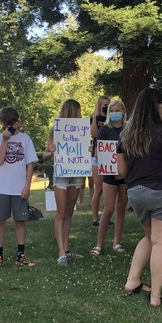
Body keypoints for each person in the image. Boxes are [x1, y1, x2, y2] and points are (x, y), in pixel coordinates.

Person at [118, 88, 162, 307]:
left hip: (136, 194)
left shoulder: (125, 136)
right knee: (160, 242)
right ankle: (155, 296)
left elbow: (120, 172)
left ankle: (132, 281)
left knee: (150, 238)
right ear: (159, 106)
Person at [0, 106, 38, 269]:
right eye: (4, 126)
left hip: (19, 188)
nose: (8, 129)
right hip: (3, 187)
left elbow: (30, 164)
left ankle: (21, 254)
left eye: (10, 125)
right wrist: (5, 140)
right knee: (0, 221)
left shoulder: (26, 139)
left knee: (20, 221)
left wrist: (27, 186)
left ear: (17, 122)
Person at [44, 99, 86, 265]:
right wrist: (51, 151)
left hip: (76, 173)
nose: (80, 113)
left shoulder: (82, 130)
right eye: (78, 110)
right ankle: (61, 252)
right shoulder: (56, 129)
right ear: (73, 111)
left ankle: (66, 249)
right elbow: (45, 156)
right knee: (61, 212)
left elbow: (83, 150)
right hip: (62, 173)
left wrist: (87, 149)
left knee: (69, 211)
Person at [90, 99, 128, 256]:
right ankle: (99, 244)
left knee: (121, 208)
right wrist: (112, 170)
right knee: (108, 208)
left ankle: (116, 242)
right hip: (109, 174)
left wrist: (123, 171)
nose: (115, 113)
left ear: (124, 112)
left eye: (118, 110)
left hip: (126, 175)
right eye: (112, 111)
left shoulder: (129, 130)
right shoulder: (104, 130)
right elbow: (99, 154)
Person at [89, 95, 110, 225]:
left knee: (108, 188)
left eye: (108, 104)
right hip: (97, 156)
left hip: (110, 155)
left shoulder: (112, 118)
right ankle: (95, 218)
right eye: (104, 104)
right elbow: (94, 134)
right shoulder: (95, 118)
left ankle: (106, 217)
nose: (106, 107)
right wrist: (96, 115)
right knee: (99, 188)